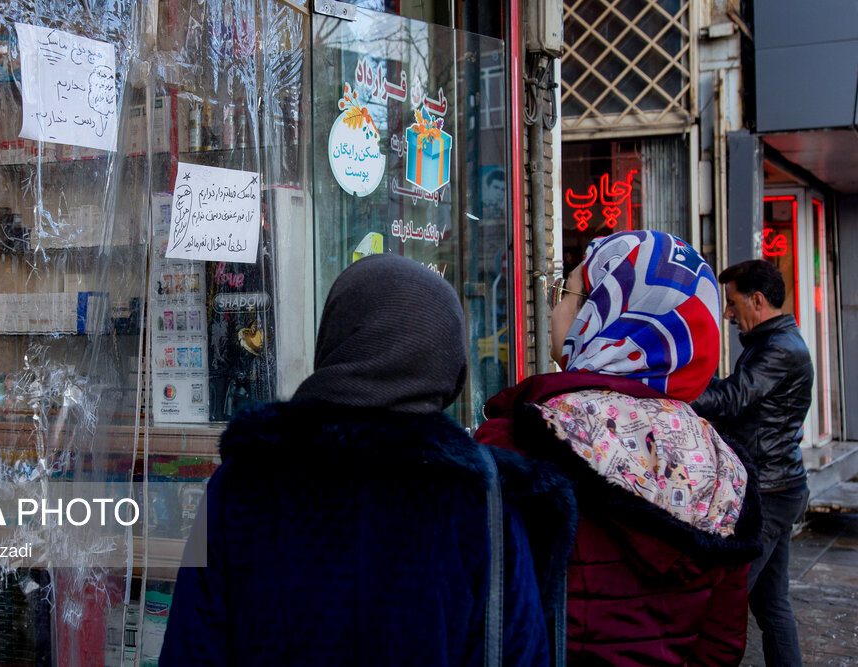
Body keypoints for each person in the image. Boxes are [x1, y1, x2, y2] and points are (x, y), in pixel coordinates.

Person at [160, 253, 575, 666]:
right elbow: (519, 651)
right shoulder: (484, 499)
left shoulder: (238, 483)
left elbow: (190, 643)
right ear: (449, 361)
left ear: (336, 341)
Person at [476, 230, 763, 666]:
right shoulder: (724, 467)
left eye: (565, 292)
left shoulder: (520, 440)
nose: (553, 307)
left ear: (600, 313)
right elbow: (721, 644)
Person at [691, 259, 813, 667]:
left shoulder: (778, 349)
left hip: (770, 493)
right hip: (779, 487)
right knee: (772, 605)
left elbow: (730, 400)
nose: (727, 313)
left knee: (723, 602)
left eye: (732, 302)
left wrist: (673, 382)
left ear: (757, 300)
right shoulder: (777, 343)